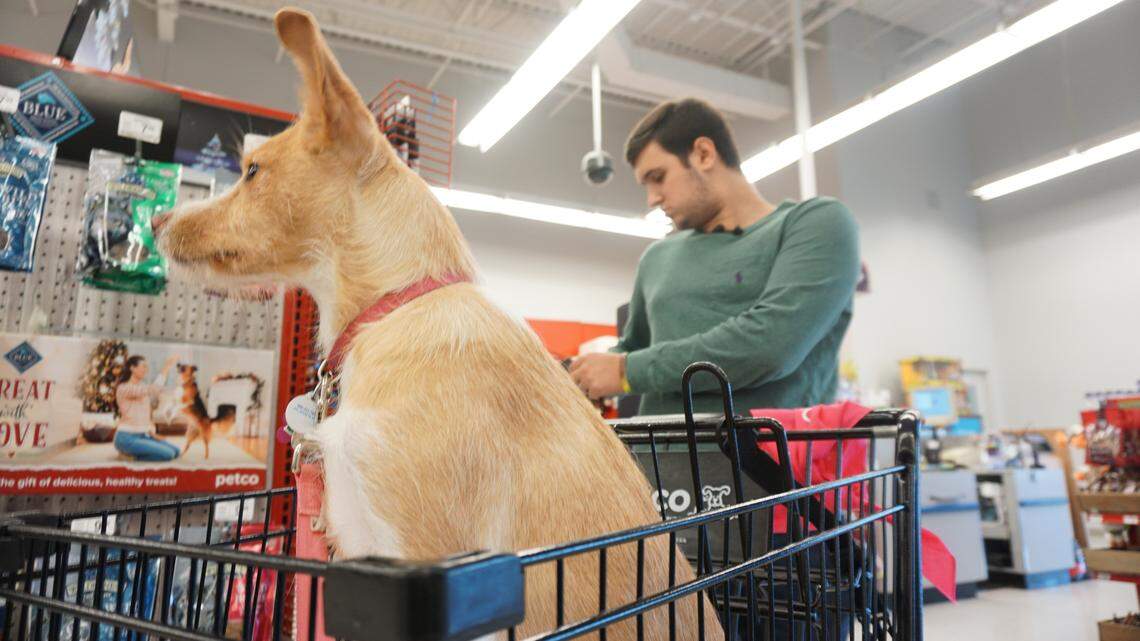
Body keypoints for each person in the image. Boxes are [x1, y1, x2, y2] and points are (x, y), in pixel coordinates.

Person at [570, 98, 860, 415]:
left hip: (766, 461)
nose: (652, 198)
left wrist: (627, 372)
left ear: (704, 154)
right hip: (654, 461)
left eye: (658, 177)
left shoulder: (816, 224)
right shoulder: (657, 257)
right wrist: (591, 375)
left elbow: (768, 347)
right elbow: (633, 349)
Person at [113, 354, 182, 461]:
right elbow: (154, 389)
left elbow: (144, 414)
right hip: (126, 438)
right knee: (168, 455)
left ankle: (139, 451)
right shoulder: (123, 388)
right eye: (144, 366)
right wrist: (166, 367)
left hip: (143, 435)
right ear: (132, 368)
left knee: (176, 451)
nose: (146, 369)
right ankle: (129, 457)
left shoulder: (141, 386)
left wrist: (151, 433)